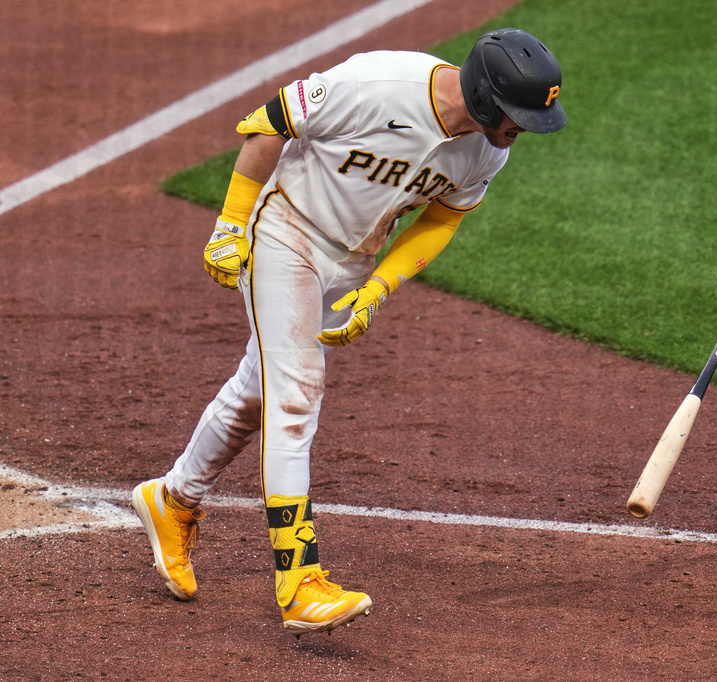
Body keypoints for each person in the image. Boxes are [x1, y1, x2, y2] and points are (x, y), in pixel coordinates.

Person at [131, 27, 566, 637]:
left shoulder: (487, 150)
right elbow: (267, 124)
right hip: (286, 234)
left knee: (259, 390)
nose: (522, 130)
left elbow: (442, 219)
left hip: (356, 258)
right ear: (487, 100)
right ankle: (300, 581)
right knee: (296, 393)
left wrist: (379, 287)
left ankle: (172, 500)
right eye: (518, 116)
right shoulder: (375, 84)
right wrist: (230, 224)